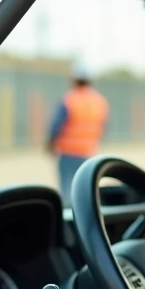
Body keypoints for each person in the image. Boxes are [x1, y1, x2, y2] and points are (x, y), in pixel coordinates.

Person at [47, 60, 108, 207]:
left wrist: (49, 144)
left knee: (67, 191)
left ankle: (68, 224)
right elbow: (103, 127)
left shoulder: (69, 99)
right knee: (84, 192)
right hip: (88, 153)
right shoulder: (100, 101)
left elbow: (56, 126)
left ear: (74, 79)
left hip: (68, 153)